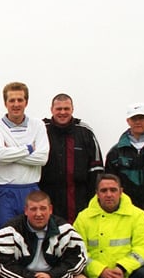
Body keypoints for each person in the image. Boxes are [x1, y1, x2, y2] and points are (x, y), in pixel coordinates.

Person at [0, 82, 49, 229]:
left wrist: (11, 152)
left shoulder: (37, 125)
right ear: (5, 103)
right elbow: (0, 154)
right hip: (5, 192)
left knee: (32, 237)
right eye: (12, 100)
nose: (16, 104)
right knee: (6, 237)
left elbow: (42, 158)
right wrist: (28, 149)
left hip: (31, 190)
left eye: (20, 100)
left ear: (26, 102)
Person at [105, 102, 144, 273]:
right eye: (134, 118)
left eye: (142, 118)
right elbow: (109, 185)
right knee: (131, 257)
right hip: (129, 215)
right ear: (128, 121)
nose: (138, 122)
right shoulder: (115, 153)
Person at [39, 94, 104, 223]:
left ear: (72, 109)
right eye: (59, 109)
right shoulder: (40, 129)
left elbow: (97, 169)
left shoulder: (85, 131)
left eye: (66, 109)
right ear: (52, 110)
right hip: (47, 199)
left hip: (79, 200)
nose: (62, 112)